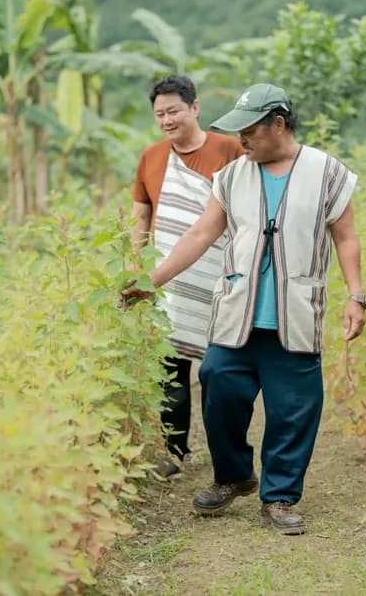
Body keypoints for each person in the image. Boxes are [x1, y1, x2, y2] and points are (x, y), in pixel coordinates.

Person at [123, 83, 366, 534]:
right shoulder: (233, 176)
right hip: (238, 312)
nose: (243, 141)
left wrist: (356, 295)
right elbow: (199, 235)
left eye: (250, 131)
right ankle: (233, 475)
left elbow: (346, 236)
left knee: (293, 407)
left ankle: (278, 497)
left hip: (294, 312)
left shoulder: (328, 173)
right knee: (217, 380)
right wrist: (149, 282)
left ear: (278, 124)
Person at [130, 75, 245, 480]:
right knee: (170, 369)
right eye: (159, 114)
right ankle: (174, 451)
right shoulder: (151, 156)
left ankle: (223, 454)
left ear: (195, 108)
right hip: (168, 277)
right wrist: (135, 264)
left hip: (219, 273)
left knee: (217, 369)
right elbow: (142, 214)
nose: (166, 119)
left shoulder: (229, 149)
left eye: (174, 110)